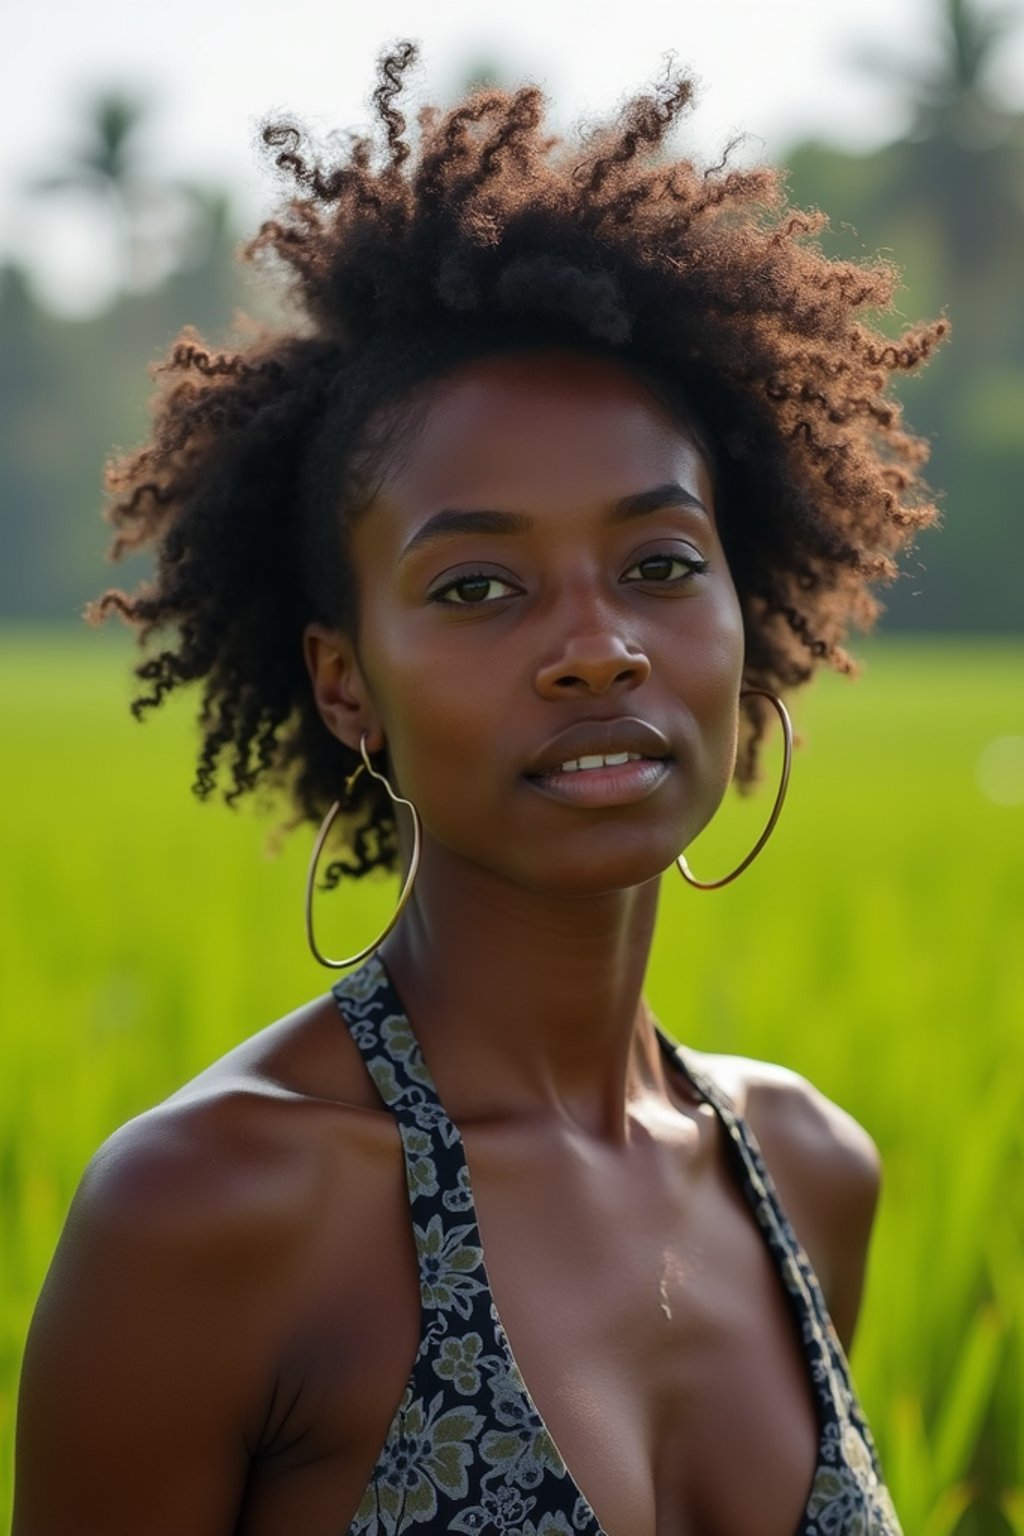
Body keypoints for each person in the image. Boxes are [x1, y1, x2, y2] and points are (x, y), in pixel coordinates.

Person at [14, 44, 946, 1536]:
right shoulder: (213, 1211)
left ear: (743, 610)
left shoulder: (808, 1173)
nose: (597, 650)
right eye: (477, 586)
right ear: (343, 679)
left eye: (658, 565)